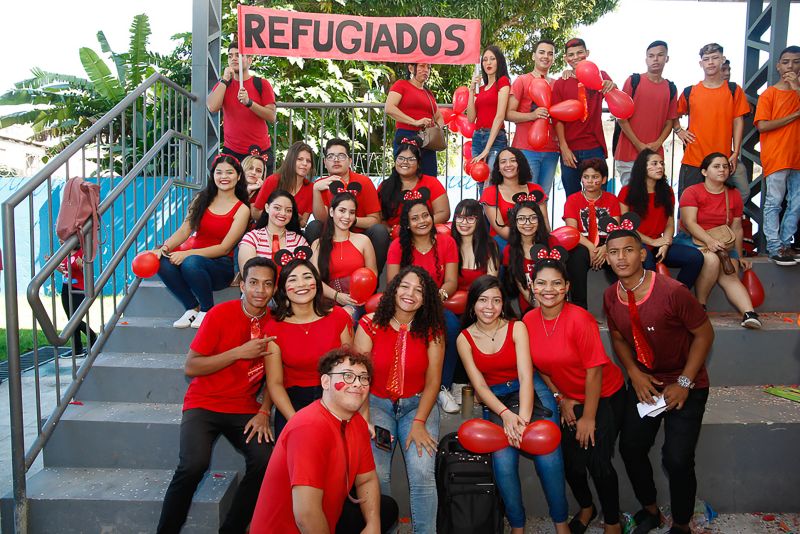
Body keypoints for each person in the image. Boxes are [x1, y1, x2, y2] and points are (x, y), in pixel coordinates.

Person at [603, 229, 715, 534]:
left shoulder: (673, 291)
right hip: (646, 381)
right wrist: (634, 373)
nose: (621, 257)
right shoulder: (611, 295)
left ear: (642, 254)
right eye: (614, 252)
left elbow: (705, 334)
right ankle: (650, 510)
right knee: (630, 447)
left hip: (686, 379)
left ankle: (681, 524)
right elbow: (617, 336)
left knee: (677, 459)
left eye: (628, 250)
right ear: (607, 258)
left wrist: (684, 382)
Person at [156, 257, 277, 534]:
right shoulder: (220, 314)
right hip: (204, 403)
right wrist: (238, 352)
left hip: (244, 407)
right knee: (193, 465)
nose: (260, 290)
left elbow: (275, 376)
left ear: (274, 289)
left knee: (265, 461)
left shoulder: (276, 323)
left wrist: (263, 411)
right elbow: (192, 366)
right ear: (242, 285)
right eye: (254, 282)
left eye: (268, 284)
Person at [457, 275, 570, 534]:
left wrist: (524, 419)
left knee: (548, 454)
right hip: (496, 400)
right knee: (503, 463)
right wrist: (507, 415)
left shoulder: (516, 327)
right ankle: (517, 525)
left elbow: (525, 375)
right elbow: (480, 387)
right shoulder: (464, 338)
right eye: (483, 300)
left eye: (496, 300)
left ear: (503, 304)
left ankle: (561, 523)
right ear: (473, 304)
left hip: (528, 390)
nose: (490, 306)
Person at [524, 251, 626, 534]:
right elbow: (537, 366)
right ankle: (586, 507)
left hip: (604, 394)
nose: (549, 290)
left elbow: (595, 371)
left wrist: (588, 417)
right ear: (532, 286)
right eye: (542, 283)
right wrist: (561, 397)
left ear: (567, 287)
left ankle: (613, 522)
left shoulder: (580, 319)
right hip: (569, 397)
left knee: (597, 460)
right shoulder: (529, 321)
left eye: (557, 283)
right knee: (569, 462)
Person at [250, 347, 398, 534]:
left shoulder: (357, 422)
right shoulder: (309, 427)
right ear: (326, 382)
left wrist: (372, 526)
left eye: (363, 378)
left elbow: (367, 479)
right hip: (291, 528)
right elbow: (306, 515)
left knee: (385, 508)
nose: (357, 384)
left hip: (327, 518)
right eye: (347, 376)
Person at [353, 266, 445, 534]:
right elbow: (358, 379)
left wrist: (419, 422)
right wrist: (364, 418)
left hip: (418, 406)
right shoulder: (369, 323)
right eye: (405, 286)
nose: (410, 294)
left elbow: (433, 381)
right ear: (394, 289)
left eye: (419, 290)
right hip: (376, 404)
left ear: (426, 298)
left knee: (422, 474)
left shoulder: (433, 329)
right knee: (376, 474)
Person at [155, 155, 250, 329]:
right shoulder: (201, 200)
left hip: (220, 266)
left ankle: (207, 309)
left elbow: (224, 248)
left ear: (238, 176)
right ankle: (191, 307)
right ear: (213, 176)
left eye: (229, 172)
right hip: (193, 263)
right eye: (219, 172)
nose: (224, 177)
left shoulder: (242, 209)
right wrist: (166, 247)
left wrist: (187, 254)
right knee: (161, 261)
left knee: (191, 262)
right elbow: (184, 230)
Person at [386, 194, 460, 413]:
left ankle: (442, 386)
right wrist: (411, 300)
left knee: (452, 326)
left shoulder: (447, 241)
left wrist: (437, 297)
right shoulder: (398, 246)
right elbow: (392, 283)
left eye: (425, 215)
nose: (422, 221)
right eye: (415, 218)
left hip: (435, 302)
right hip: (404, 303)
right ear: (407, 224)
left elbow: (451, 281)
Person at [265, 257, 353, 438]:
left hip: (334, 395)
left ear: (317, 283)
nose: (301, 284)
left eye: (307, 277)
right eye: (293, 279)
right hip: (293, 400)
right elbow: (274, 383)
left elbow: (350, 368)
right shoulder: (273, 328)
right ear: (283, 289)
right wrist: (295, 419)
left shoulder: (339, 316)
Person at [676, 152, 762, 328]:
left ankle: (749, 313)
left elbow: (737, 228)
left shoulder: (734, 194)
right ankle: (700, 306)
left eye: (725, 166)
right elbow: (689, 223)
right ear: (704, 171)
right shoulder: (692, 192)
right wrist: (709, 241)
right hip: (693, 240)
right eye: (716, 166)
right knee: (712, 260)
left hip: (722, 241)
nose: (722, 170)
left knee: (730, 273)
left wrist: (738, 254)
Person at [618, 149, 703, 288]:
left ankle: (677, 295)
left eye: (662, 164)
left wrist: (665, 243)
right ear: (642, 167)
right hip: (635, 243)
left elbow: (670, 223)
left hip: (659, 243)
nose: (660, 167)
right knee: (648, 260)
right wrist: (653, 241)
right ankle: (653, 302)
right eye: (655, 163)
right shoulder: (627, 191)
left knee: (695, 257)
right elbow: (626, 226)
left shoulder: (667, 191)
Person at [675, 43, 750, 197]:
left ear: (722, 60)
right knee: (687, 204)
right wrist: (679, 130)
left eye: (715, 58)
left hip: (722, 159)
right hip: (694, 159)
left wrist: (736, 152)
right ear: (700, 63)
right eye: (706, 59)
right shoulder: (690, 91)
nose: (710, 62)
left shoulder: (733, 90)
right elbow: (673, 114)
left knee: (735, 198)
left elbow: (738, 121)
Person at [309, 139, 390, 272]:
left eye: (341, 156)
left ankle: (371, 281)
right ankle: (321, 280)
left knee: (380, 231)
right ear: (324, 162)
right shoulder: (321, 184)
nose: (336, 160)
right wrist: (316, 190)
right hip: (331, 236)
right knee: (313, 227)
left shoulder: (363, 182)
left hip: (360, 236)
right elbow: (321, 219)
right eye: (330, 156)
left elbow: (375, 220)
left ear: (350, 161)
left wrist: (350, 219)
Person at [552, 38, 616, 197]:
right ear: (566, 58)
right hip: (570, 149)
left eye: (580, 52)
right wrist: (564, 148)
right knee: (572, 197)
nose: (575, 57)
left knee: (600, 197)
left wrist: (612, 86)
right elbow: (557, 118)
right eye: (571, 55)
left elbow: (616, 100)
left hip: (593, 146)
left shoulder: (600, 76)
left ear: (587, 53)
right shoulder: (561, 82)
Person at [754, 45, 800, 265]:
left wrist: (797, 88)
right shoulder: (769, 94)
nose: (791, 66)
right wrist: (794, 115)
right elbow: (762, 126)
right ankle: (774, 246)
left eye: (796, 61)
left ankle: (786, 244)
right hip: (778, 156)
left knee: (797, 203)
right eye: (786, 62)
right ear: (779, 65)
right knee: (774, 203)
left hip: (798, 158)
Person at [614, 41, 678, 186]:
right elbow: (621, 117)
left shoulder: (671, 88)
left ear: (667, 58)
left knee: (653, 200)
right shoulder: (633, 81)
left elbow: (670, 120)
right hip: (628, 153)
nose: (655, 59)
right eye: (651, 56)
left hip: (655, 155)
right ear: (646, 59)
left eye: (660, 55)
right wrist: (638, 144)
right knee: (630, 199)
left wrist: (659, 142)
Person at [207, 40, 276, 173]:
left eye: (238, 55)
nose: (233, 58)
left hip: (260, 153)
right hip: (232, 152)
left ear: (249, 60)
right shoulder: (224, 84)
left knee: (261, 193)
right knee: (228, 192)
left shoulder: (262, 84)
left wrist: (249, 103)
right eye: (230, 56)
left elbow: (271, 116)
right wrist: (225, 80)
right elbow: (212, 107)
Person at [562, 158, 620, 310]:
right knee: (576, 256)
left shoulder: (612, 200)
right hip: (582, 242)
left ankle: (620, 306)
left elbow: (615, 230)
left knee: (618, 255)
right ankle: (580, 308)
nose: (590, 181)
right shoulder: (573, 200)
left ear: (603, 179)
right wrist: (591, 247)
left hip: (607, 242)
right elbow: (572, 231)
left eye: (595, 177)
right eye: (586, 177)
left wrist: (605, 248)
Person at [311, 191, 378, 318]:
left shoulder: (363, 240)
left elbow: (372, 274)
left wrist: (357, 297)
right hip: (327, 301)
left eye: (352, 212)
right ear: (332, 212)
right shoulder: (318, 244)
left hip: (357, 303)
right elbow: (315, 280)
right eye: (342, 210)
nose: (347, 216)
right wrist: (337, 296)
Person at [506, 39, 561, 194]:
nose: (546, 57)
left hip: (551, 150)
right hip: (525, 149)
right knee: (525, 196)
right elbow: (508, 113)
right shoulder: (522, 80)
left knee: (543, 197)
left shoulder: (557, 84)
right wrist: (532, 115)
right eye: (542, 52)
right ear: (533, 56)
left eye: (550, 54)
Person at [481, 147, 549, 252]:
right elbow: (500, 229)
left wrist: (533, 242)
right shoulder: (490, 192)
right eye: (503, 162)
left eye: (513, 160)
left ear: (520, 164)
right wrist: (524, 243)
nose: (508, 165)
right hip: (504, 241)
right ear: (498, 167)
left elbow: (545, 224)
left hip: (535, 239)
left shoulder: (536, 189)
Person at [385, 63, 445, 177]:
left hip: (427, 141)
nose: (426, 70)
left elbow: (439, 117)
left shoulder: (428, 93)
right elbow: (389, 108)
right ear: (411, 68)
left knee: (429, 178)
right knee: (405, 177)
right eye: (422, 66)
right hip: (406, 136)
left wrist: (436, 130)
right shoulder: (401, 85)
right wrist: (415, 122)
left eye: (428, 67)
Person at [378, 136, 450, 230]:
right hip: (394, 237)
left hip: (425, 233)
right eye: (401, 158)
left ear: (419, 164)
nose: (405, 162)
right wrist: (391, 231)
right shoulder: (385, 186)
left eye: (411, 159)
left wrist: (416, 226)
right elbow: (379, 218)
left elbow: (443, 213)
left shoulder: (432, 182)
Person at [238, 190, 308, 272]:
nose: (283, 213)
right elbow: (248, 275)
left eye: (288, 210)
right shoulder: (252, 238)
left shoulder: (299, 240)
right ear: (267, 208)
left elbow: (307, 274)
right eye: (277, 208)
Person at [502, 197, 550, 315]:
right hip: (530, 307)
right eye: (521, 219)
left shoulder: (551, 243)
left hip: (554, 303)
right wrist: (540, 309)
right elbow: (523, 289)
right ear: (515, 222)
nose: (527, 223)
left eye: (533, 218)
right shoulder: (510, 250)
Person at [467, 46, 511, 173]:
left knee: (491, 180)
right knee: (480, 179)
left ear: (499, 61)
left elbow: (500, 116)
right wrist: (471, 90)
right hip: (477, 138)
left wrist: (487, 149)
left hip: (495, 138)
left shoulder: (502, 82)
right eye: (485, 60)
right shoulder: (481, 89)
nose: (488, 63)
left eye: (492, 59)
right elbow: (470, 118)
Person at [251, 141, 314, 227]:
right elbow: (255, 213)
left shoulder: (311, 188)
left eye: (308, 161)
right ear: (290, 160)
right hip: (266, 230)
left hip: (292, 234)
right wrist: (277, 215)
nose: (304, 163)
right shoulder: (273, 180)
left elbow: (303, 223)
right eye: (299, 159)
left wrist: (294, 218)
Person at [451, 199, 500, 292]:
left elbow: (490, 284)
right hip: (450, 301)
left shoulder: (490, 245)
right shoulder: (448, 244)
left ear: (479, 221)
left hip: (481, 300)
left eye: (470, 218)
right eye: (460, 217)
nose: (464, 223)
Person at [57, 246, 97, 355]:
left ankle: (92, 335)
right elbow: (66, 271)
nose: (60, 240)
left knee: (75, 318)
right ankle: (77, 349)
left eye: (63, 238)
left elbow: (85, 271)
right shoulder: (64, 251)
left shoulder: (82, 251)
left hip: (78, 288)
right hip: (66, 287)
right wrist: (58, 268)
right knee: (71, 319)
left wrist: (82, 267)